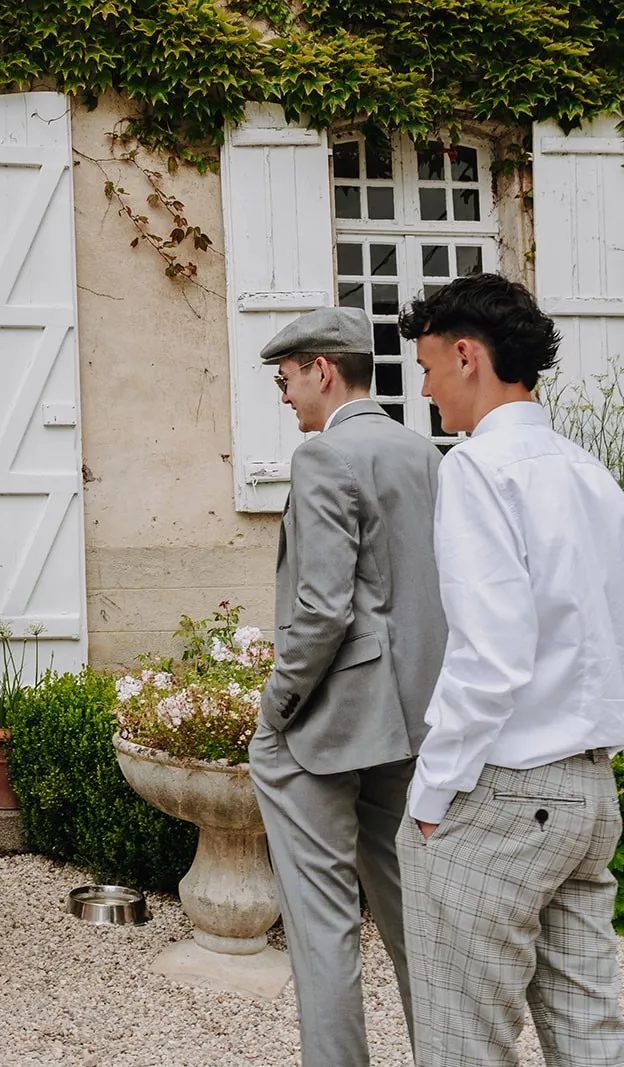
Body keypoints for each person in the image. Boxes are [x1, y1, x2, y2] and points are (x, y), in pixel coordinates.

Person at [396, 273, 624, 1067]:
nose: (424, 390)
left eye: (426, 367)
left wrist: (431, 794)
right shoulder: (592, 475)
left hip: (503, 789)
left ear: (467, 356)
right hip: (591, 792)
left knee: (465, 1042)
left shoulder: (478, 467)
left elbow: (490, 655)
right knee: (593, 1036)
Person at [250, 306, 447, 1067]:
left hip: (329, 726)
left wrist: (276, 710)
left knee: (323, 920)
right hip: (414, 723)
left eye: (286, 377)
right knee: (410, 918)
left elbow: (322, 608)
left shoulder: (322, 457)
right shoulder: (422, 451)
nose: (284, 394)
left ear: (323, 370)